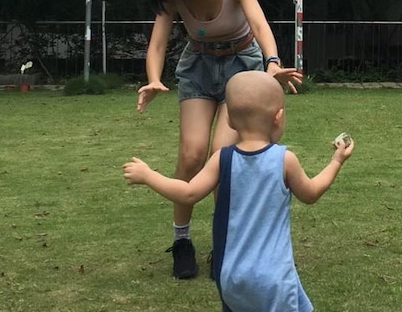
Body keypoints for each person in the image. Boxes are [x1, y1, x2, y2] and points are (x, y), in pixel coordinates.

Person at [136, 0, 302, 279]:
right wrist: (153, 78)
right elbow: (157, 43)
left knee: (222, 155)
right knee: (191, 155)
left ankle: (224, 243)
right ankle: (181, 240)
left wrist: (272, 61)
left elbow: (259, 23)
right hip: (198, 67)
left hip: (242, 67)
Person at [124, 71, 354, 311]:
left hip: (231, 277)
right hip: (274, 277)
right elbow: (311, 193)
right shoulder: (285, 160)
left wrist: (149, 176)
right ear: (278, 117)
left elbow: (188, 193)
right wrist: (336, 161)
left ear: (230, 122)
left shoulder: (220, 159)